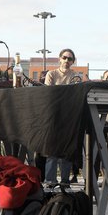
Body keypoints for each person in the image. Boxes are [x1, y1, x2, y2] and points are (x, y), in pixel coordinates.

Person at [43, 49, 78, 186]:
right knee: (52, 151)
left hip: (69, 117)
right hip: (54, 116)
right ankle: (50, 180)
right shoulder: (51, 74)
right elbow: (48, 95)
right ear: (59, 59)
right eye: (65, 58)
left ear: (73, 62)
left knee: (67, 151)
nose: (67, 61)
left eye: (70, 59)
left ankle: (64, 181)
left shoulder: (76, 76)